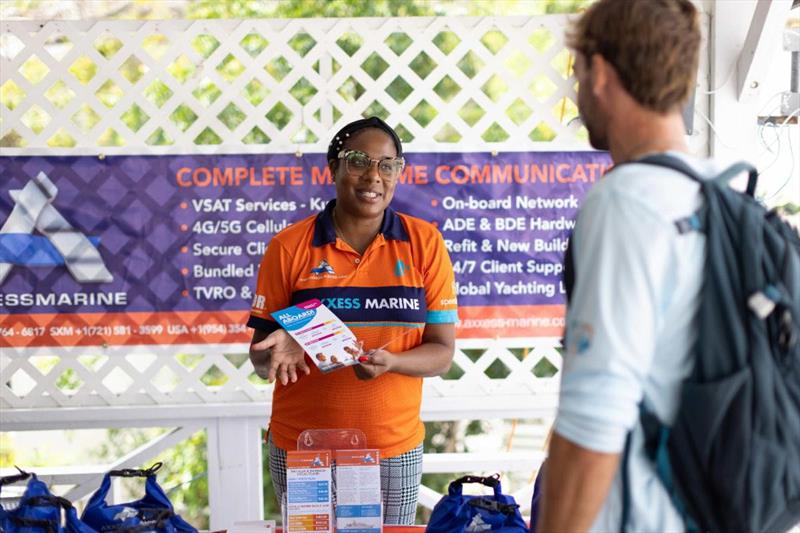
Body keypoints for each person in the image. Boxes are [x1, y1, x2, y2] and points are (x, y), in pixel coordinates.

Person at [537, 1, 712, 531]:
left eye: (577, 73)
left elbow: (593, 421)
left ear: (601, 73)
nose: (577, 92)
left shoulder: (626, 202)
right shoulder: (717, 193)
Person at [247, 116, 459, 524]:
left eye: (387, 165)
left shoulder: (424, 244)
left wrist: (392, 362)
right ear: (334, 167)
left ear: (398, 172)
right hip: (303, 448)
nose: (373, 176)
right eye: (359, 161)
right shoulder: (288, 246)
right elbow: (260, 359)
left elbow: (442, 354)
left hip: (393, 448)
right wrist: (286, 341)